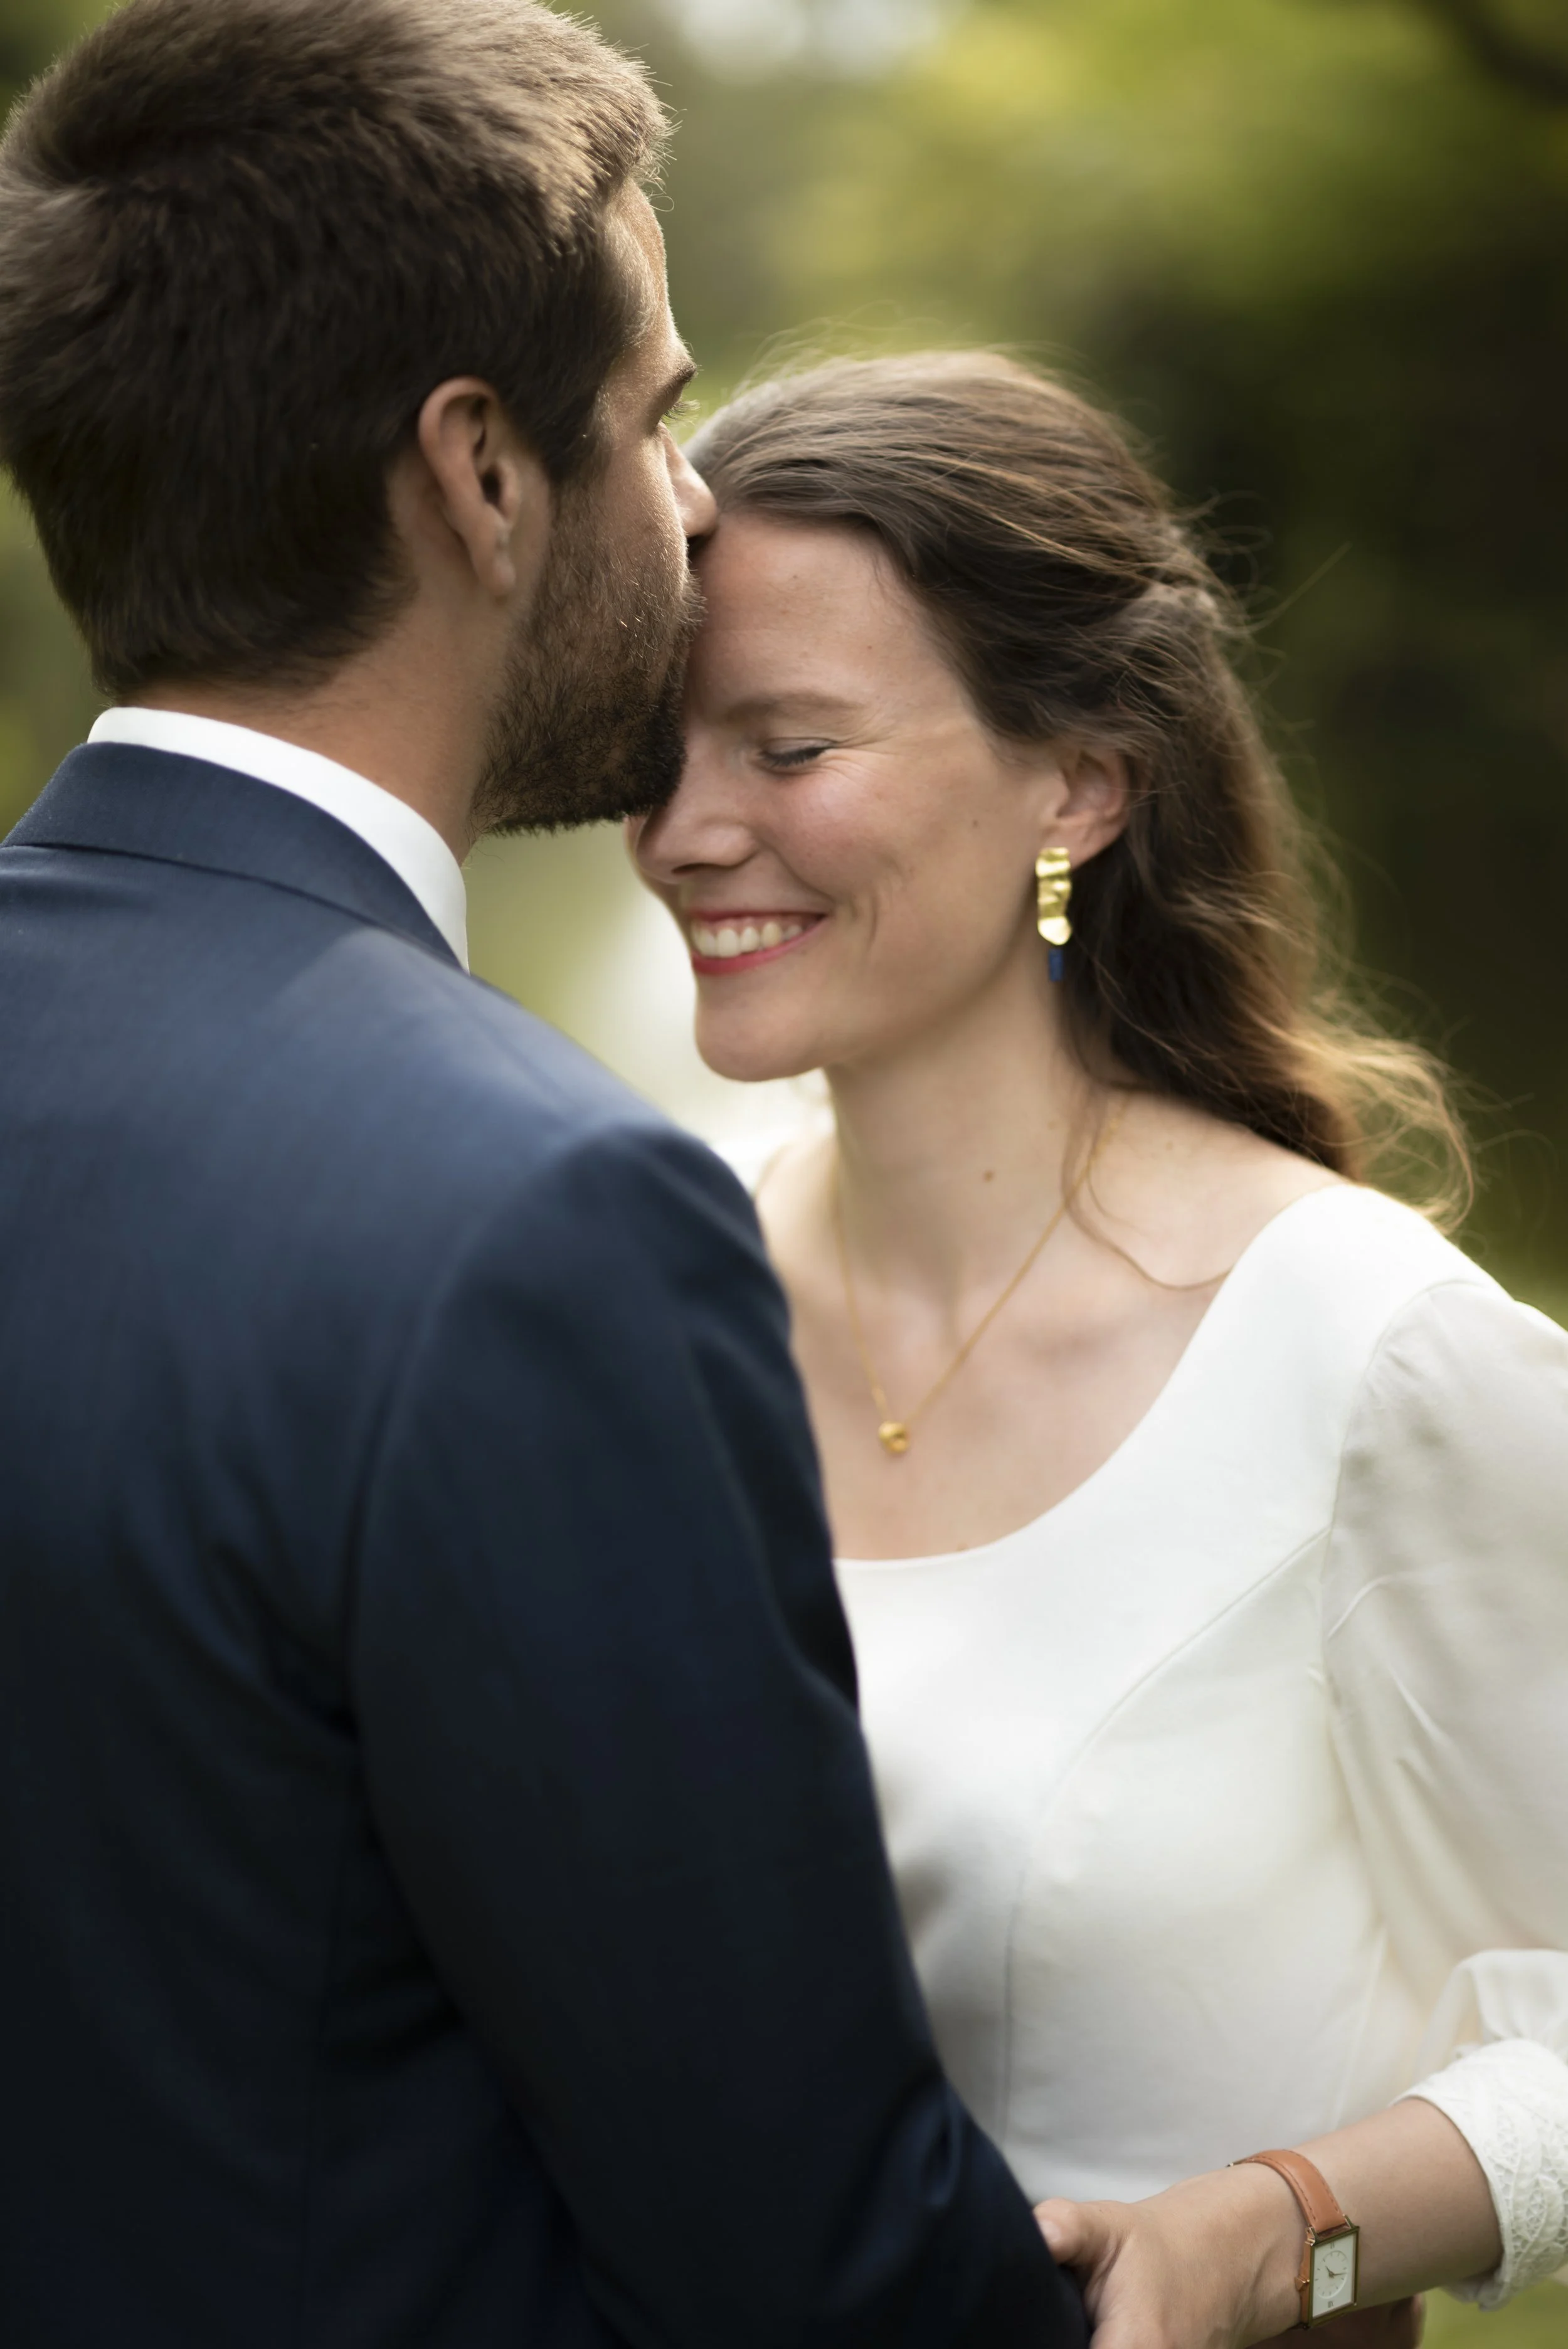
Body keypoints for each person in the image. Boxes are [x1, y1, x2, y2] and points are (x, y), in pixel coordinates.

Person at [0, 11, 1088, 2344]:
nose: (694, 509)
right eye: (661, 413)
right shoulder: (535, 1221)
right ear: (481, 475)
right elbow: (804, 2260)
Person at [632, 349, 1568, 2345]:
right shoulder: (642, 1261)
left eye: (788, 752)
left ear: (1076, 780)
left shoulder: (1374, 1361)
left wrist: (1274, 2226)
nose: (683, 833)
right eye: (667, 748)